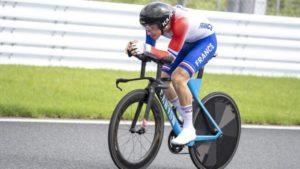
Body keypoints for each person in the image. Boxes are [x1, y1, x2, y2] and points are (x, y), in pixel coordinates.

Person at [126, 2, 217, 145]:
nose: (148, 32)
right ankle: (184, 110)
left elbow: (169, 57)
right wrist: (135, 51)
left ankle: (189, 129)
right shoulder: (154, 23)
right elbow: (150, 52)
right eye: (146, 28)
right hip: (187, 41)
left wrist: (145, 48)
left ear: (164, 24)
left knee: (178, 78)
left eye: (151, 28)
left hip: (204, 42)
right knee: (163, 78)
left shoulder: (180, 23)